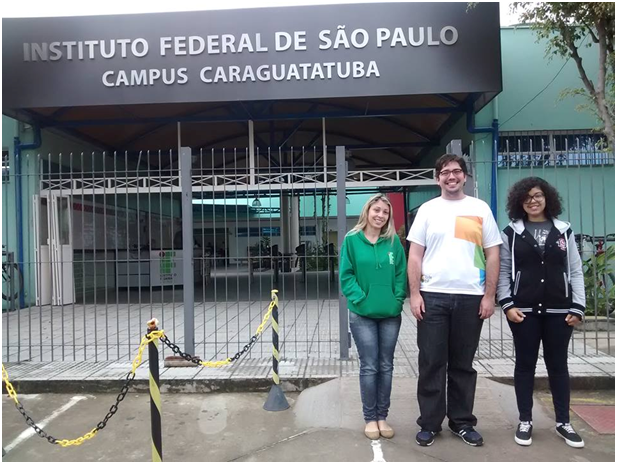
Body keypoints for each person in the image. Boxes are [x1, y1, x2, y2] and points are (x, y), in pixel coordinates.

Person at [407, 154, 502, 447]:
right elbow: (415, 254)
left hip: (471, 298)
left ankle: (462, 422)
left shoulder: (479, 208)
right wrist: (414, 294)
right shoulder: (427, 210)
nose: (451, 176)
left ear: (465, 176)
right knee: (431, 362)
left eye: (457, 171)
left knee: (463, 364)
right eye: (445, 172)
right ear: (438, 178)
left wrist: (489, 296)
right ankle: (430, 423)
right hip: (432, 297)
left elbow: (493, 253)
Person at [497, 177, 585, 448]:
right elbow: (503, 272)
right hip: (523, 312)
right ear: (518, 203)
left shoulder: (564, 230)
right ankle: (525, 420)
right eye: (526, 197)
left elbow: (575, 270)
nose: (532, 201)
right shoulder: (511, 233)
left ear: (547, 198)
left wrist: (578, 307)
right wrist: (507, 304)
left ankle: (563, 423)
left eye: (537, 195)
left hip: (561, 311)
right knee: (525, 366)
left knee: (558, 366)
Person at [339, 193, 407, 440]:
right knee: (369, 366)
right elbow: (346, 275)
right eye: (376, 210)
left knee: (386, 366)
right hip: (362, 315)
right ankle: (370, 418)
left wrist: (397, 298)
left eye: (385, 212)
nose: (380, 215)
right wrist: (360, 299)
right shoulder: (351, 240)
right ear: (367, 211)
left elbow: (401, 272)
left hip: (390, 314)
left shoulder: (393, 242)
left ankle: (382, 417)